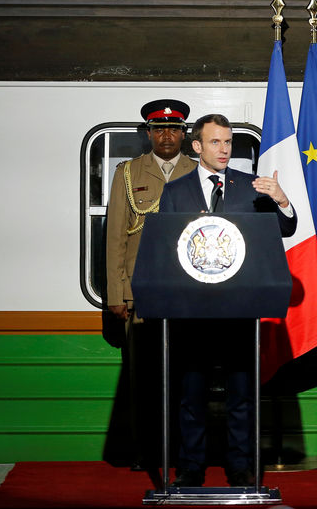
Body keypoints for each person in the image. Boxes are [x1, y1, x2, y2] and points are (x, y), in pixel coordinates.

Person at [158, 113, 297, 487]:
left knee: (241, 395)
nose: (224, 149)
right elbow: (166, 251)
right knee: (191, 397)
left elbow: (287, 227)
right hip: (192, 313)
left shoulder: (251, 187)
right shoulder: (175, 192)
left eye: (229, 142)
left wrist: (282, 200)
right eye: (216, 142)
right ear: (197, 146)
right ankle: (191, 467)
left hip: (240, 312)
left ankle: (240, 465)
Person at [105, 99, 197, 470]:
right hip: (141, 297)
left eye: (173, 129)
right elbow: (115, 239)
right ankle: (146, 453)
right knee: (144, 381)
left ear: (183, 134)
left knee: (187, 380)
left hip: (190, 298)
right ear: (148, 133)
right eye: (158, 129)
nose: (166, 135)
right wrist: (116, 294)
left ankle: (184, 454)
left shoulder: (199, 170)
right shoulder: (127, 173)